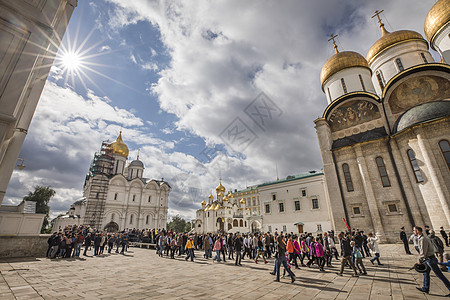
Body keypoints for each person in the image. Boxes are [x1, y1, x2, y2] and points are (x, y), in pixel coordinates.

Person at [414, 226, 450, 296]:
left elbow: (423, 251)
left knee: (439, 275)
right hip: (427, 259)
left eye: (414, 230)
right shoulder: (421, 238)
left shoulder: (423, 239)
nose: (413, 231)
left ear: (417, 231)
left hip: (430, 259)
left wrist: (419, 260)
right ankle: (425, 288)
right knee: (426, 273)